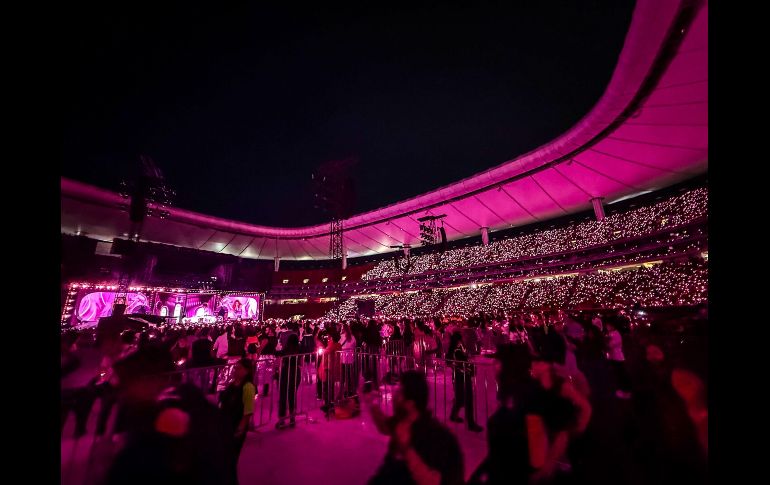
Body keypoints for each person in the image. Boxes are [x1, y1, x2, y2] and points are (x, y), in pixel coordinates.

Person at [365, 371, 464, 485]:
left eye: (399, 391)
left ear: (410, 404)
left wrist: (407, 449)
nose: (394, 396)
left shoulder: (435, 437)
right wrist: (371, 403)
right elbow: (384, 426)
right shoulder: (403, 421)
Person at [218, 359, 256, 480]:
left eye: (239, 368)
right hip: (226, 422)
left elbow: (248, 409)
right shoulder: (232, 383)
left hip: (236, 423)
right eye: (235, 368)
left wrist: (241, 426)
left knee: (231, 456)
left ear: (246, 371)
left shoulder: (248, 387)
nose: (235, 370)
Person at [446, 331, 483, 432]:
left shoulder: (453, 348)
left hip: (458, 376)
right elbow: (464, 361)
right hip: (463, 375)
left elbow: (449, 361)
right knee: (468, 398)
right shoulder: (458, 349)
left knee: (460, 398)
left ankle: (453, 415)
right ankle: (471, 423)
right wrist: (470, 366)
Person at [276, 334, 302, 429]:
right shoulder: (299, 349)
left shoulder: (285, 350)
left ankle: (282, 419)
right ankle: (292, 418)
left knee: (283, 396)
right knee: (292, 395)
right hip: (296, 372)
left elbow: (278, 355)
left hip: (286, 372)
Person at [605, 321, 631, 399]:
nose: (607, 327)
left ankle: (626, 391)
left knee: (621, 374)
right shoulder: (611, 333)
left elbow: (611, 345)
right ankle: (621, 390)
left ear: (612, 326)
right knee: (617, 374)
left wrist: (606, 342)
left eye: (608, 326)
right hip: (613, 357)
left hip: (617, 357)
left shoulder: (616, 334)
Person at [340, 325, 358, 397]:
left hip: (344, 357)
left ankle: (345, 389)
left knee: (344, 374)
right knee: (350, 373)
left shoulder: (342, 336)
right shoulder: (352, 337)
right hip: (350, 357)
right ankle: (350, 388)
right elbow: (354, 345)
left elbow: (340, 344)